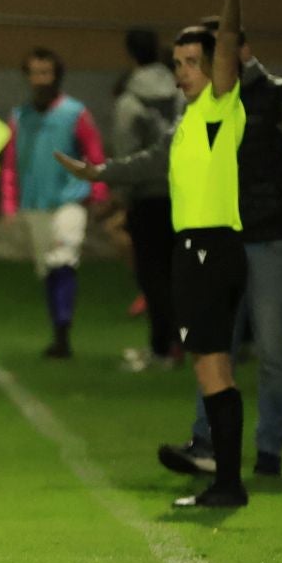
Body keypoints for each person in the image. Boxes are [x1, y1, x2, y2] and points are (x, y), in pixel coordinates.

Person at [88, 16, 282, 482]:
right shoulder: (199, 105)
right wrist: (105, 173)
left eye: (202, 57)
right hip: (224, 238)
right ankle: (208, 445)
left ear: (238, 51)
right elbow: (164, 153)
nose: (189, 70)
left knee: (272, 348)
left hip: (270, 236)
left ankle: (268, 451)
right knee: (211, 345)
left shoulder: (275, 93)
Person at [61, 0, 255, 508]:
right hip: (201, 248)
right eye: (179, 63)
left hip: (209, 248)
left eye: (194, 62)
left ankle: (227, 483)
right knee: (212, 365)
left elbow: (229, 46)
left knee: (211, 366)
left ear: (219, 66)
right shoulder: (190, 120)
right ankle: (225, 478)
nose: (183, 73)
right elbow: (150, 160)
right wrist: (96, 171)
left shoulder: (219, 106)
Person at [0, 47, 107, 358]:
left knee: (64, 258)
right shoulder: (20, 117)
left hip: (69, 200)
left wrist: (98, 192)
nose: (41, 79)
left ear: (57, 76)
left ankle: (63, 331)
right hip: (35, 203)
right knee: (48, 267)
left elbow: (94, 153)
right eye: (35, 73)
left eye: (47, 73)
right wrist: (9, 202)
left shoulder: (74, 113)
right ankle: (58, 331)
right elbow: (10, 163)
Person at [111, 28, 181, 370]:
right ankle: (182, 343)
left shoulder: (130, 101)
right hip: (182, 193)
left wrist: (120, 197)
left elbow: (127, 154)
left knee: (152, 277)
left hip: (147, 196)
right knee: (178, 272)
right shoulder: (182, 92)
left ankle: (161, 348)